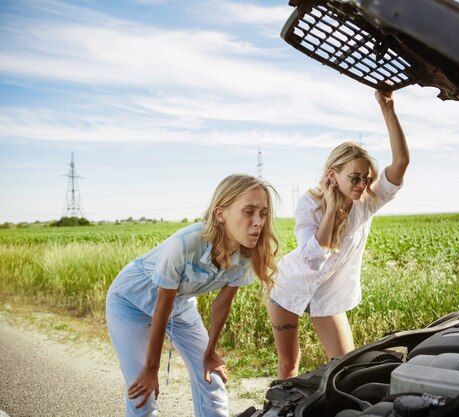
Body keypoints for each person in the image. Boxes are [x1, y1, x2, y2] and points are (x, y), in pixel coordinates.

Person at [106, 174, 278, 417]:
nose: (258, 222)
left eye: (263, 213)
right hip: (129, 300)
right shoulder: (186, 243)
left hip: (178, 302)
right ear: (221, 214)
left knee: (212, 377)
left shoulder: (247, 255)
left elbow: (221, 306)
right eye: (248, 211)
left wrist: (210, 354)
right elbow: (161, 308)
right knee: (142, 391)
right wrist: (151, 368)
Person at [267, 89, 410, 379]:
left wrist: (388, 111)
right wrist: (331, 208)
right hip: (289, 287)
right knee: (288, 368)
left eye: (366, 178)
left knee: (347, 370)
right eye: (354, 178)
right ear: (333, 175)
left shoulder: (368, 201)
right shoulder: (310, 203)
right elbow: (312, 257)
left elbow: (401, 163)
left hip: (328, 297)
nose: (361, 184)